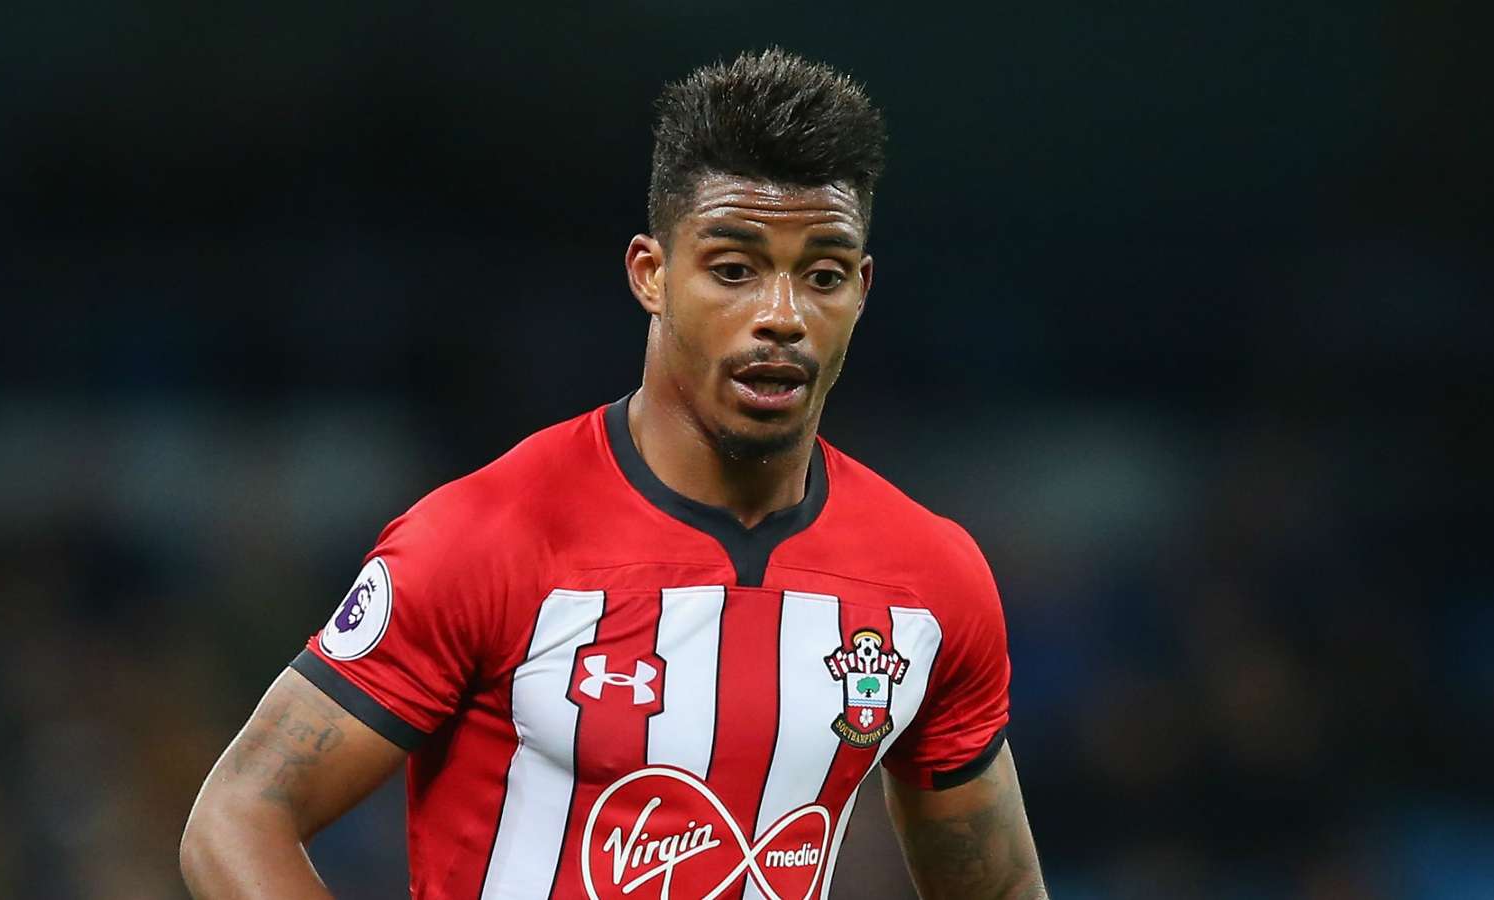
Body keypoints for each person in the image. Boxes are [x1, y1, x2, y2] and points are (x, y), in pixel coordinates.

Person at [180, 48, 1048, 900]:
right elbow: (238, 818)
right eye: (734, 270)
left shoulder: (928, 581)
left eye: (822, 275)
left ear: (861, 289)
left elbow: (1002, 885)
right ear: (652, 275)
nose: (782, 316)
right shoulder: (484, 538)